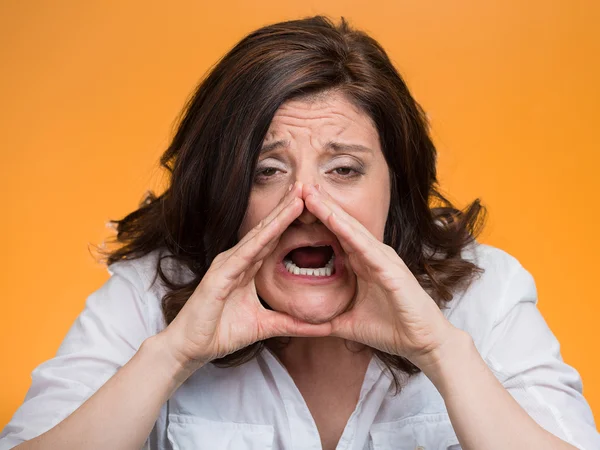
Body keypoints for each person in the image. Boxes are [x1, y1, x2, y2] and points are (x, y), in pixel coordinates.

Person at [1, 15, 598, 450]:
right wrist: (173, 355)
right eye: (267, 171)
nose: (305, 205)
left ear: (397, 186)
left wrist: (440, 352)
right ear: (223, 188)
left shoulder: (486, 296)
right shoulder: (146, 295)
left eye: (343, 169)